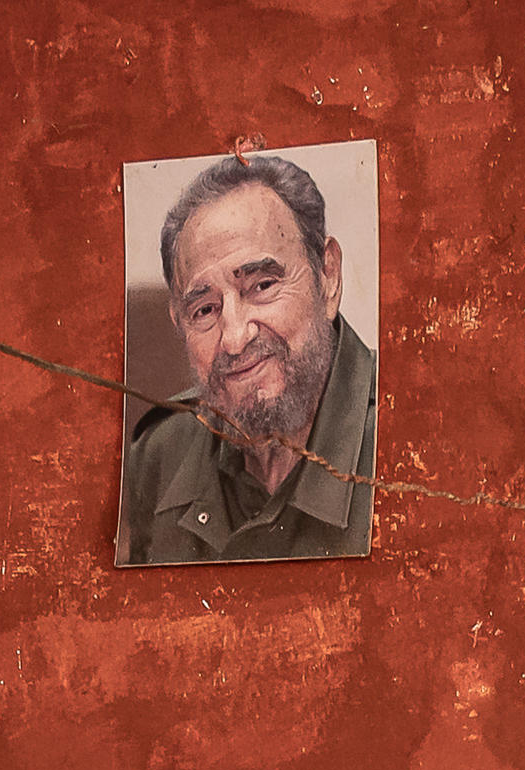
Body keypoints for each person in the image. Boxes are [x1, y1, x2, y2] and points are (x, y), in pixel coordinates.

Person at [113, 151, 377, 565]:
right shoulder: (158, 455)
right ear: (179, 322)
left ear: (328, 277)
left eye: (262, 285)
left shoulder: (410, 432)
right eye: (204, 310)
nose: (234, 338)